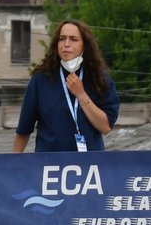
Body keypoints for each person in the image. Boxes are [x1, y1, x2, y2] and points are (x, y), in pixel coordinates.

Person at [12, 19, 120, 153]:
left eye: (73, 39)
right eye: (62, 39)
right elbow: (24, 129)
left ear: (84, 46)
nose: (66, 44)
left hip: (90, 164)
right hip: (49, 164)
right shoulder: (41, 79)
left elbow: (106, 127)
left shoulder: (100, 78)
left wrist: (81, 95)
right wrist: (13, 164)